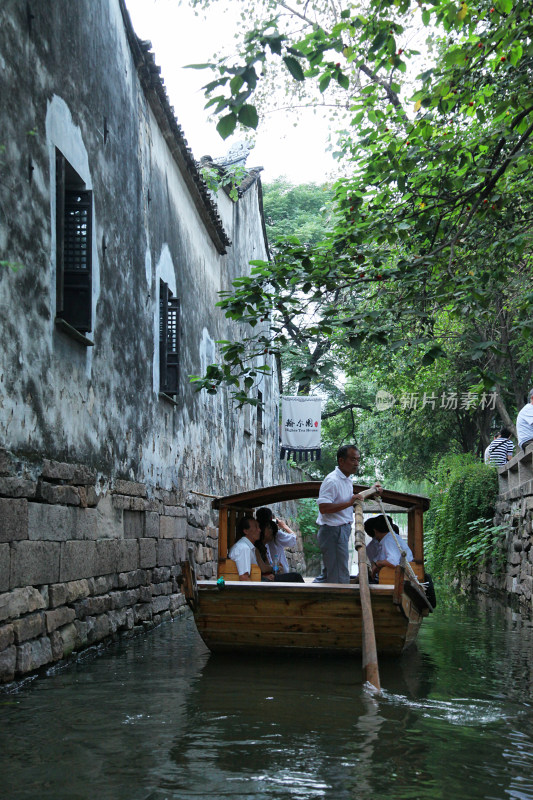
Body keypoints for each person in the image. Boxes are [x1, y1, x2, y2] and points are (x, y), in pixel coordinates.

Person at [316, 445, 383, 584]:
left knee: (334, 571)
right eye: (353, 460)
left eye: (358, 460)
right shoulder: (332, 480)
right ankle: (338, 604)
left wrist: (372, 492)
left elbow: (351, 498)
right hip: (333, 531)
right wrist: (349, 503)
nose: (357, 464)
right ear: (341, 461)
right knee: (338, 574)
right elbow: (323, 507)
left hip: (341, 530)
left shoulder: (346, 480)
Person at [256, 511, 305, 582]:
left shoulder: (263, 547)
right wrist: (284, 526)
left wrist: (275, 569)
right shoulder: (255, 548)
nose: (271, 532)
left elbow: (266, 565)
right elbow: (294, 538)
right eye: (269, 528)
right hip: (266, 577)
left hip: (272, 574)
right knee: (296, 576)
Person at [364, 514, 413, 581]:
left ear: (375, 531)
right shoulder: (390, 538)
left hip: (401, 577)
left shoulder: (388, 540)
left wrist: (378, 563)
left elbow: (392, 562)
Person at [228, 516, 274, 581]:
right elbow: (244, 578)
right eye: (256, 527)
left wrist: (263, 577)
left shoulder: (249, 547)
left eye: (258, 527)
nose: (259, 530)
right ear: (246, 531)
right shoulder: (243, 548)